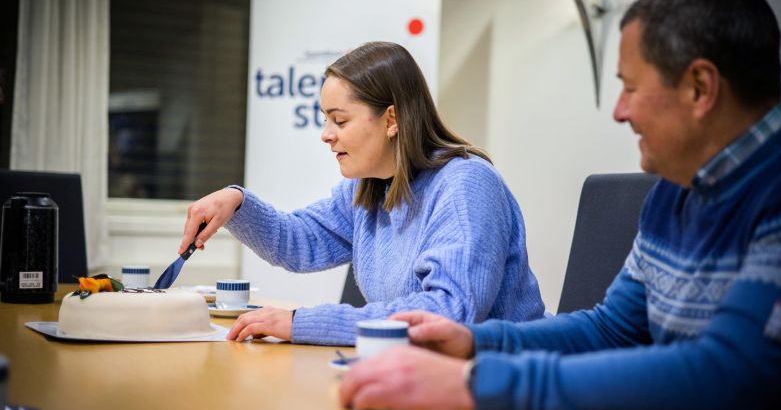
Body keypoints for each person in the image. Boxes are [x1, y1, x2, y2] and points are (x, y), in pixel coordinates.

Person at [339, 0, 781, 410]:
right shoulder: (673, 194)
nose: (620, 111)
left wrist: (477, 384)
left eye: (631, 88)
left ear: (700, 88)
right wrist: (478, 343)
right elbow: (612, 329)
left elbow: (726, 377)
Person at [180, 41, 545, 346]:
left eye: (339, 120)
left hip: (509, 376)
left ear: (391, 120)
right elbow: (298, 243)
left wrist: (303, 323)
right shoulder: (368, 187)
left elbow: (449, 312)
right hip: (420, 371)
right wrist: (236, 203)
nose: (326, 133)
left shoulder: (466, 185)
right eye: (325, 119)